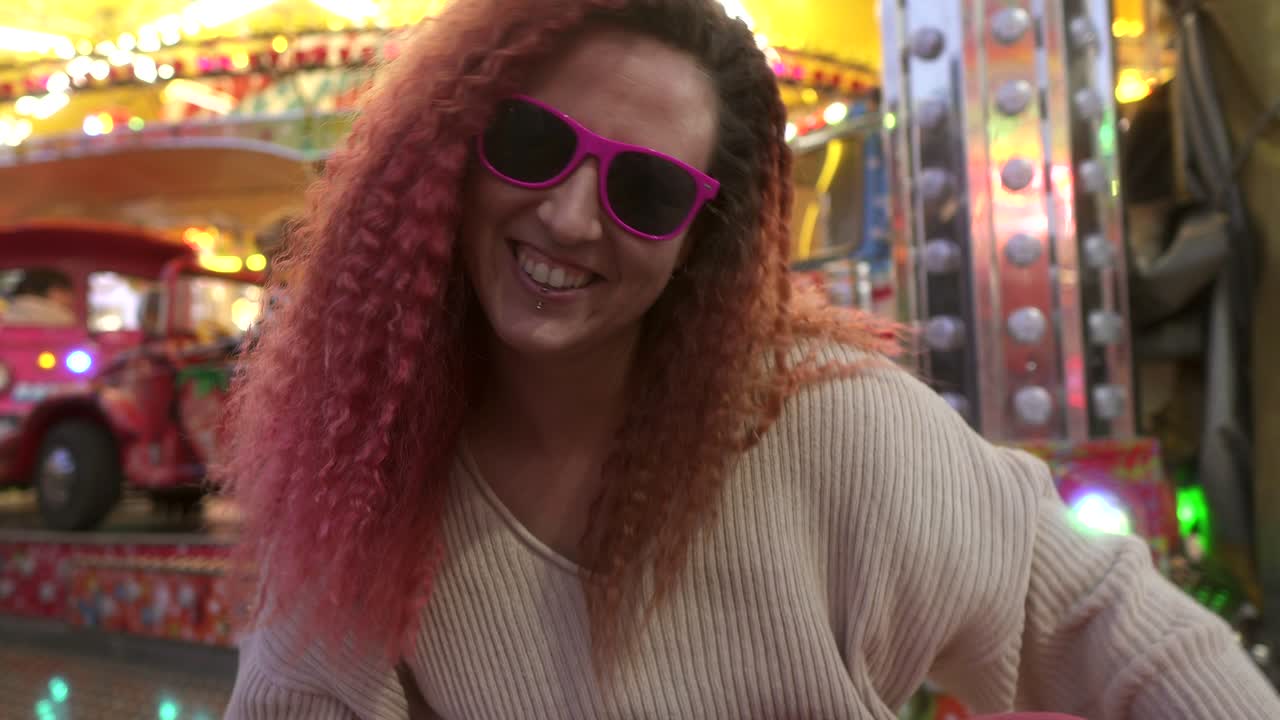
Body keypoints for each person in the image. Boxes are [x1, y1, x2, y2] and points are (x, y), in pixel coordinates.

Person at [221, 1, 1280, 718]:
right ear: (453, 149)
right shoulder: (373, 475)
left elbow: (1113, 624)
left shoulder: (827, 428)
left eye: (644, 192)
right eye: (535, 145)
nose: (570, 217)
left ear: (699, 242)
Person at [2, 268, 76, 327]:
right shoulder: (62, 318)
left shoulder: (8, 312)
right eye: (66, 293)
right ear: (54, 290)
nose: (71, 299)